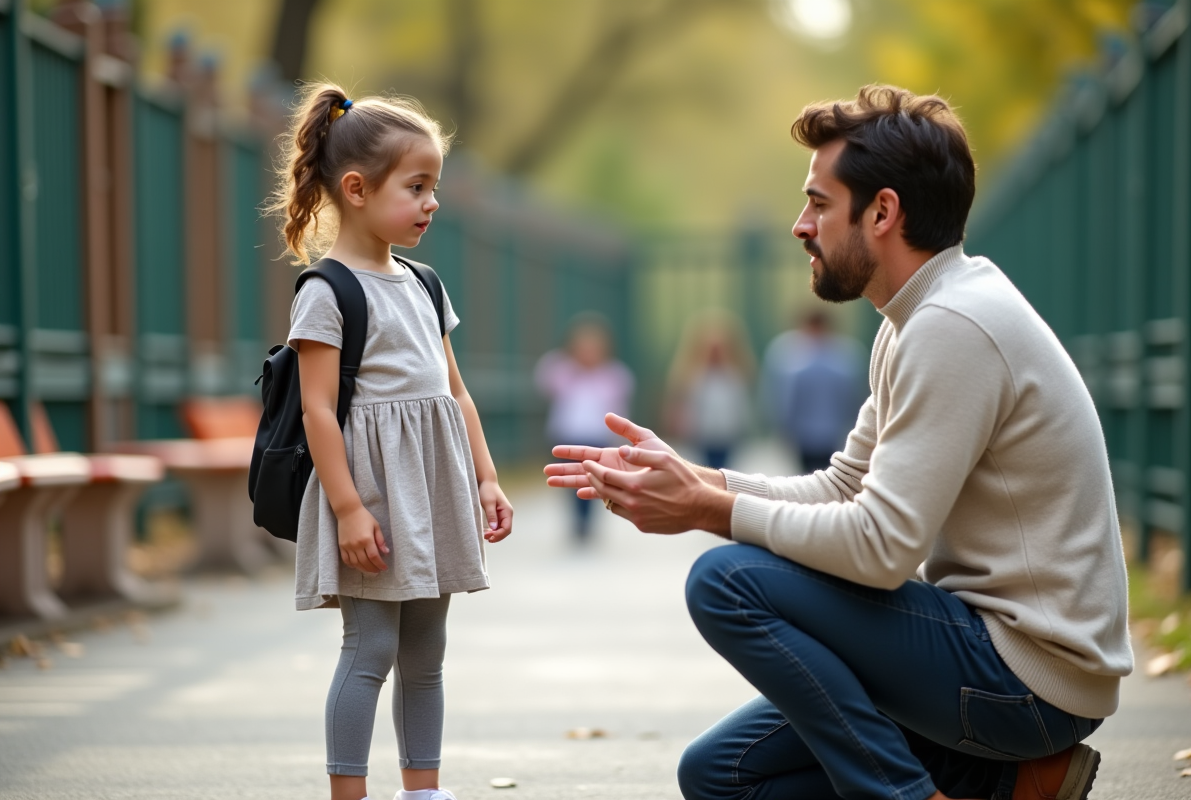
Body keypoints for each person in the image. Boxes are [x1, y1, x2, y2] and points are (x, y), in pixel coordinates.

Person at [545, 85, 1132, 800]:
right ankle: (1010, 783)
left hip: (1026, 679)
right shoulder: (914, 320)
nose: (801, 225)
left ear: (882, 212)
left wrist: (706, 509)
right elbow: (843, 487)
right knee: (720, 776)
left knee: (725, 580)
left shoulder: (954, 326)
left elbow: (883, 550)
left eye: (819, 203)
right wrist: (698, 478)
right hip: (991, 665)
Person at [273, 83, 513, 800]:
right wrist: (348, 509)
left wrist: (487, 478)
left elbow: (455, 392)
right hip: (373, 494)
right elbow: (318, 411)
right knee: (370, 647)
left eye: (432, 186)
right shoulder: (329, 291)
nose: (430, 202)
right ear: (355, 189)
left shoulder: (425, 285)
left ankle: (423, 791)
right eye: (416, 186)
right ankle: (348, 791)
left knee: (426, 654)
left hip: (433, 491)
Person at [534, 314, 634, 542]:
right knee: (570, 478)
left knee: (594, 479)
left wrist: (620, 438)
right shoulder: (564, 371)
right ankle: (577, 520)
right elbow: (545, 382)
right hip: (567, 436)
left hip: (597, 437)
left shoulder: (613, 375)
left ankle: (588, 520)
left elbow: (619, 409)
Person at [662, 310, 756, 471]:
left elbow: (740, 402)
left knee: (725, 470)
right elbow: (684, 401)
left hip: (728, 432)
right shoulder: (692, 374)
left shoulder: (734, 373)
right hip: (701, 433)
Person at [779, 310, 867, 473]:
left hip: (805, 432)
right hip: (833, 431)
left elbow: (790, 401)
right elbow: (853, 399)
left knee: (807, 479)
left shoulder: (795, 360)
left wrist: (785, 428)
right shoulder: (846, 358)